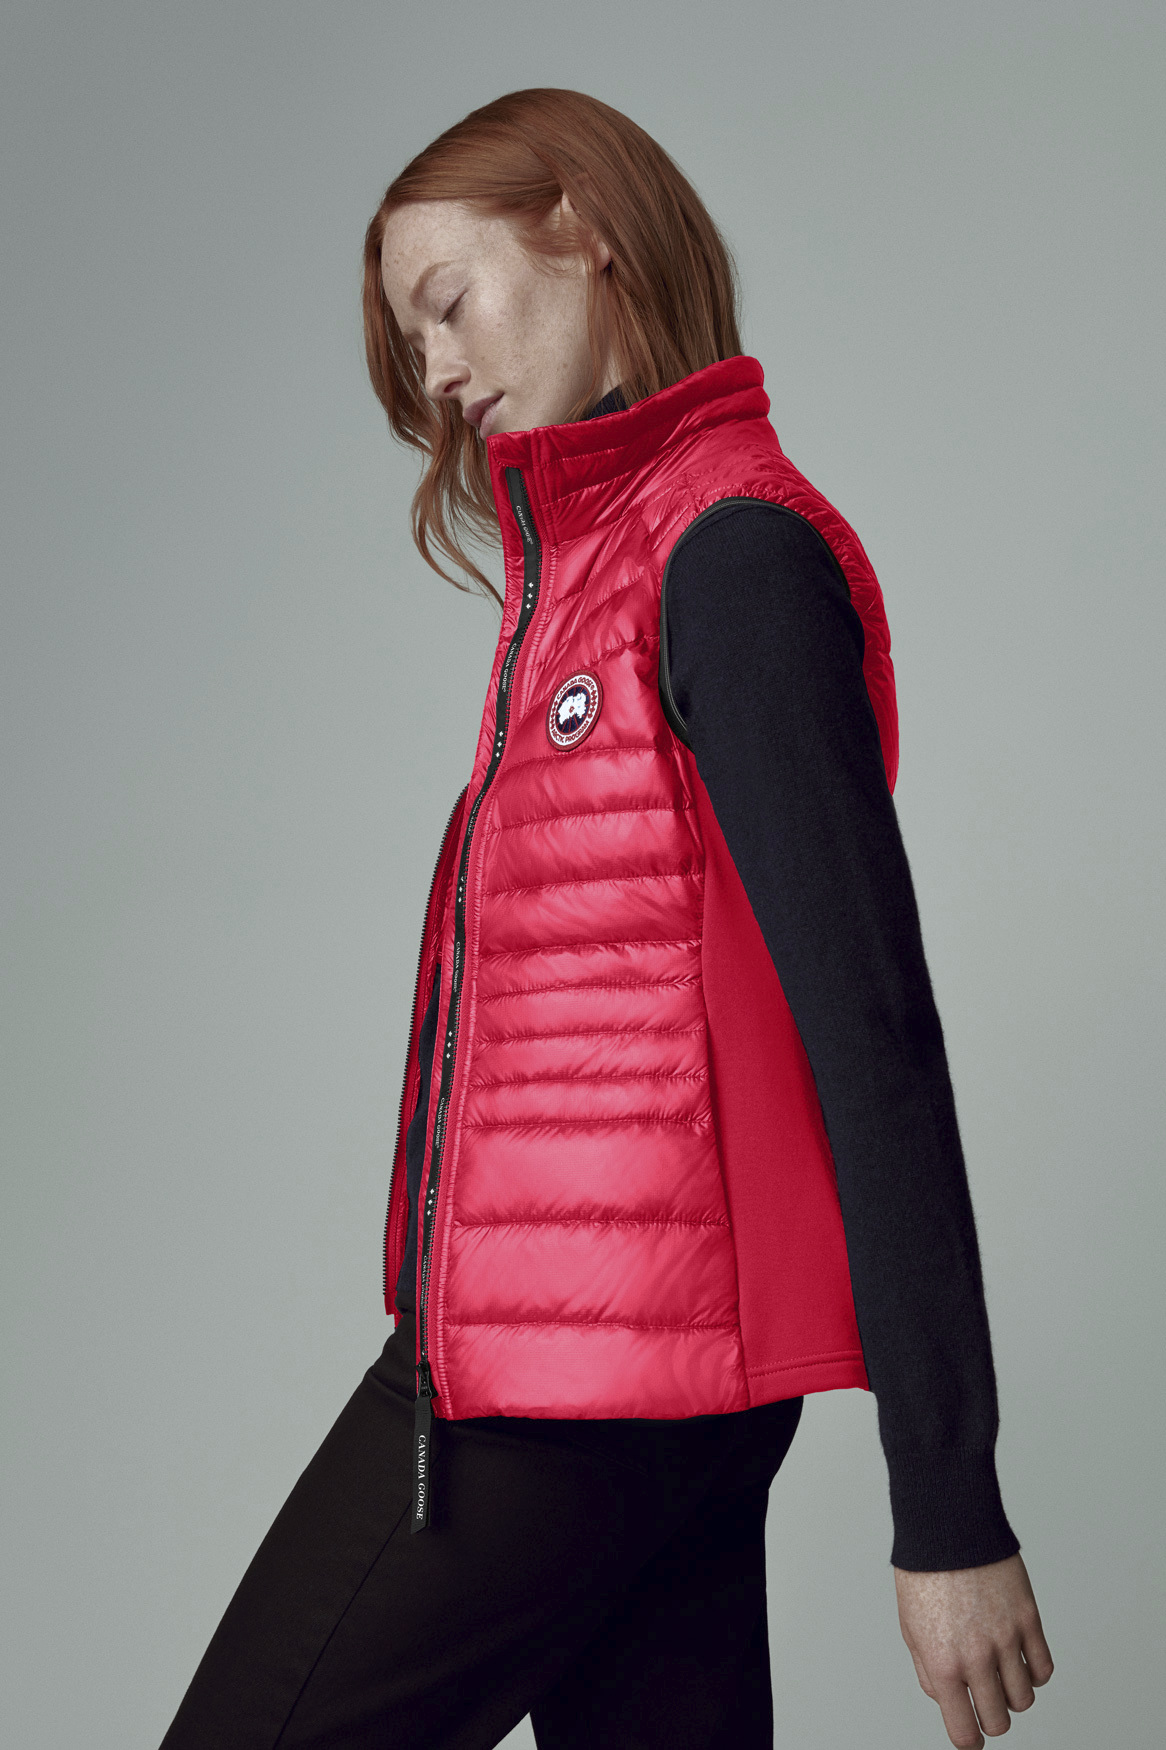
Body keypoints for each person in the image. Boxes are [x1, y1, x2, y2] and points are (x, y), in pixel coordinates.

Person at [160, 88, 1054, 1750]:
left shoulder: (728, 559)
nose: (437, 369)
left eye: (449, 302)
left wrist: (948, 1499)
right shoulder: (592, 574)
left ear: (583, 230)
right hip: (623, 1380)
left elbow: (870, 1026)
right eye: (410, 339)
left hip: (571, 1391)